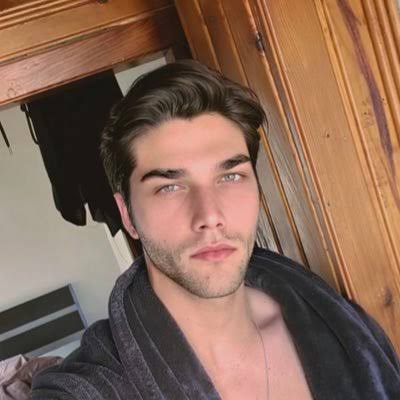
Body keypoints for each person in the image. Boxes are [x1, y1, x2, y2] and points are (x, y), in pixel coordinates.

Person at [31, 60, 400, 399]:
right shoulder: (93, 387)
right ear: (127, 215)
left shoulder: (338, 322)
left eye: (230, 176)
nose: (210, 215)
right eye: (169, 186)